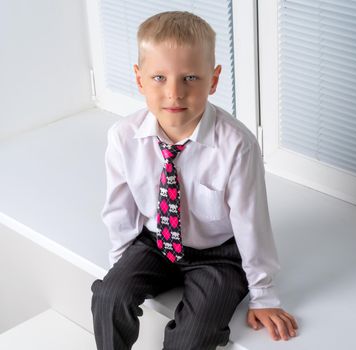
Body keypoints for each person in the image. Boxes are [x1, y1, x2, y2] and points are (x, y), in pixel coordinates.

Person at [91, 10, 298, 350]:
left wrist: (263, 295)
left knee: (193, 335)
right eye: (159, 77)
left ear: (213, 80)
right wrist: (122, 272)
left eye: (190, 78)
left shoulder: (236, 146)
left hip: (218, 253)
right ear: (139, 79)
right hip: (155, 243)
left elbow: (251, 223)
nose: (174, 93)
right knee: (109, 296)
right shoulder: (123, 137)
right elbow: (120, 210)